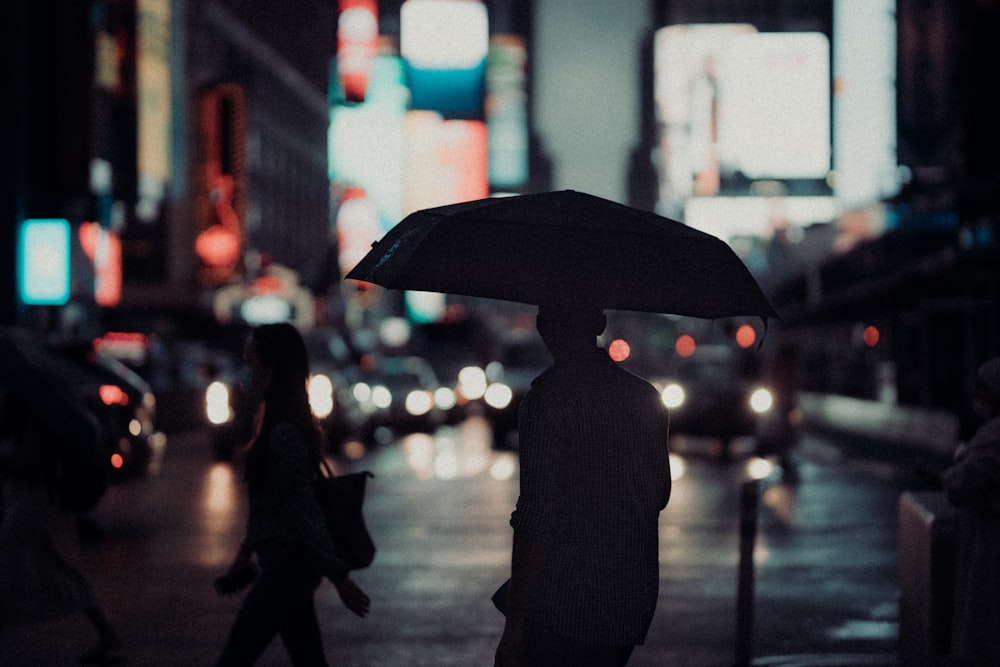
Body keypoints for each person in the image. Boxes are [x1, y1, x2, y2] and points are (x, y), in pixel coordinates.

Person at [494, 305, 672, 667]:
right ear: (601, 324)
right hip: (629, 601)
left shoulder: (548, 400)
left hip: (563, 606)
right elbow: (659, 494)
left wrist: (514, 627)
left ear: (543, 326)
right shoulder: (645, 396)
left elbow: (536, 517)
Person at [216, 322, 370, 666]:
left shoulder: (284, 434)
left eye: (251, 361)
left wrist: (340, 578)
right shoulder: (275, 426)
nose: (247, 372)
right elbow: (268, 505)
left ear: (272, 367)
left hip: (288, 567)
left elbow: (305, 512)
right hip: (284, 564)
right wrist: (246, 551)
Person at [0, 385, 122, 664]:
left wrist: (3, 461)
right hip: (27, 503)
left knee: (8, 563)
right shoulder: (25, 418)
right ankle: (106, 631)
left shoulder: (35, 419)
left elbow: (34, 463)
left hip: (33, 504)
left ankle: (106, 631)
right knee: (56, 568)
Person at [943, 357, 1000, 666]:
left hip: (989, 545)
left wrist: (959, 463)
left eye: (983, 389)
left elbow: (962, 484)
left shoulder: (994, 434)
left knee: (983, 622)